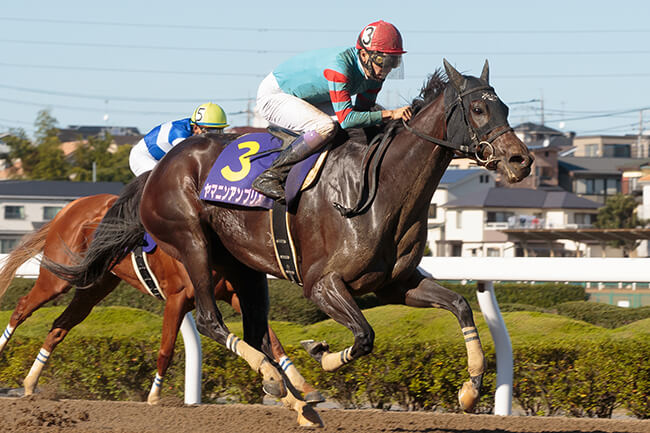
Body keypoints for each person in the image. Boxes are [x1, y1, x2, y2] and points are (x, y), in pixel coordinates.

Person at [252, 20, 413, 202]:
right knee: (326, 126)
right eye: (383, 61)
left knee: (349, 129)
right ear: (364, 55)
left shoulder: (375, 76)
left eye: (393, 61)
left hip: (307, 98)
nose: (387, 69)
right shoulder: (340, 68)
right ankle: (271, 176)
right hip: (275, 95)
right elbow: (348, 119)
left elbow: (363, 112)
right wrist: (390, 114)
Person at [129, 102, 228, 176]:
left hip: (164, 160)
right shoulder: (180, 135)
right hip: (142, 157)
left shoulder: (195, 130)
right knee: (160, 180)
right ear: (196, 128)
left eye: (219, 130)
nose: (214, 135)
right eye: (210, 131)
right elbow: (189, 162)